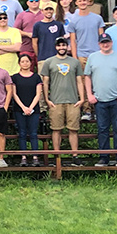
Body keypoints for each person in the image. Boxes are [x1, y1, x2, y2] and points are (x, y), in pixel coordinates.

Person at [83, 34, 117, 167]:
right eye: (103, 42)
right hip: (99, 100)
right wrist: (89, 95)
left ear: (111, 42)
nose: (105, 45)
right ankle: (104, 157)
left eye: (107, 42)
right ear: (99, 44)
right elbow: (87, 76)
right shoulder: (93, 57)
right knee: (102, 129)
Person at [40, 37, 84, 165]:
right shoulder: (49, 62)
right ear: (56, 47)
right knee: (56, 129)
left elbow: (79, 81)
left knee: (73, 129)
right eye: (59, 46)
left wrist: (81, 99)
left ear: (67, 47)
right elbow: (45, 82)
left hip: (73, 101)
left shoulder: (74, 62)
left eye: (64, 45)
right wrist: (47, 99)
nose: (62, 48)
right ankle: (57, 156)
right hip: (56, 101)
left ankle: (75, 156)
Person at [11, 54, 43, 165]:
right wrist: (23, 107)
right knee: (22, 133)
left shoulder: (36, 77)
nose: (25, 63)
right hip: (19, 109)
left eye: (27, 61)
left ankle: (35, 157)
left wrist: (30, 108)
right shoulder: (15, 77)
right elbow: (14, 94)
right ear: (19, 63)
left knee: (33, 133)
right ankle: (23, 157)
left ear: (30, 63)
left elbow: (38, 94)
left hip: (34, 109)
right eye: (23, 61)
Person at [68, 0, 105, 65]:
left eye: (84, 0)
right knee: (82, 76)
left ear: (88, 2)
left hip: (96, 53)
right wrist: (75, 58)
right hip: (81, 56)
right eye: (80, 1)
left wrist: (103, 53)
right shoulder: (73, 21)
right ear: (76, 3)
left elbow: (102, 38)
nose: (82, 3)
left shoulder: (98, 18)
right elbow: (73, 41)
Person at [14, 0, 44, 64]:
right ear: (27, 3)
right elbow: (15, 31)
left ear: (39, 2)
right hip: (26, 48)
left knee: (42, 72)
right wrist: (27, 34)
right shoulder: (22, 15)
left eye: (36, 0)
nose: (34, 2)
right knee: (26, 71)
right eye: (31, 1)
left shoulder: (44, 13)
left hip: (42, 48)